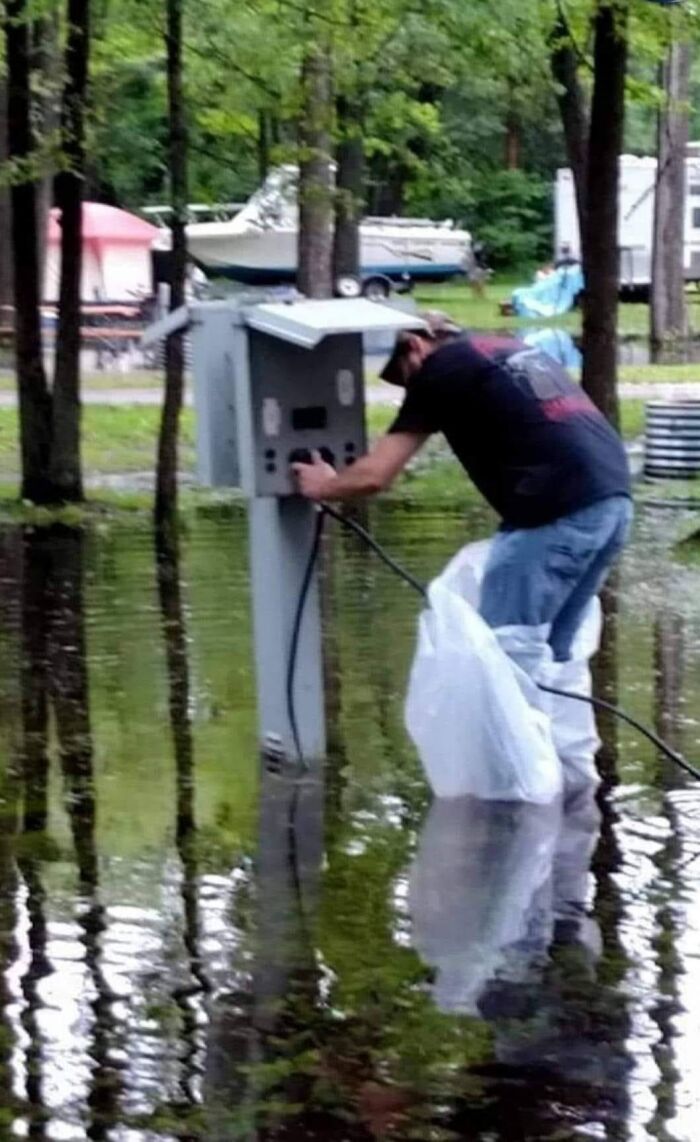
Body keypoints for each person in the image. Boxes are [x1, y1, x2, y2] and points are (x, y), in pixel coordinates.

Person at [291, 313, 632, 686]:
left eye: (402, 377)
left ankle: (509, 726)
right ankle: (552, 725)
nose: (408, 389)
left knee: (504, 663)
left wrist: (324, 486)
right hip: (613, 501)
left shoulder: (440, 369)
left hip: (554, 510)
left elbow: (376, 475)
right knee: (554, 657)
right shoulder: (504, 348)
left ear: (415, 345)